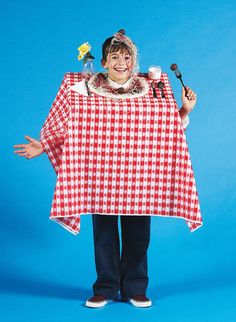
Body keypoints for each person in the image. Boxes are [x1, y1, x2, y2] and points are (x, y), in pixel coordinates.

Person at [14, 29, 199, 308]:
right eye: (115, 56)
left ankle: (136, 286)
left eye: (127, 56)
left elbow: (166, 127)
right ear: (103, 62)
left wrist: (184, 110)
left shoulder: (151, 90)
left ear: (134, 61)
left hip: (139, 172)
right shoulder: (85, 88)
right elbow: (68, 119)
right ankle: (106, 287)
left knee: (138, 230)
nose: (121, 62)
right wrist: (44, 144)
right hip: (100, 173)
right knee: (104, 232)